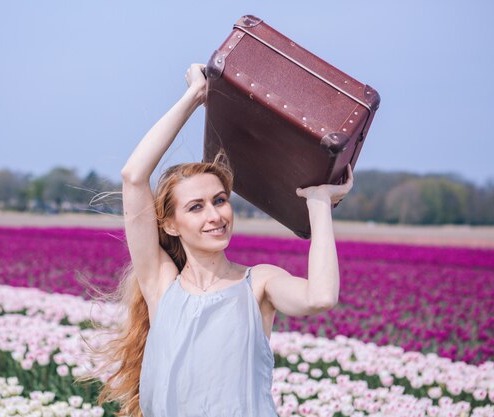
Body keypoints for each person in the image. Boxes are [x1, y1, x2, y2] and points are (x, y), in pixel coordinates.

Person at [80, 63, 353, 417]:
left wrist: (318, 202)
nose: (215, 216)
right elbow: (134, 176)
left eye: (220, 200)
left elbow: (321, 297)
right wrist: (195, 96)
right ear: (171, 225)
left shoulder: (259, 284)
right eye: (196, 207)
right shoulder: (161, 285)